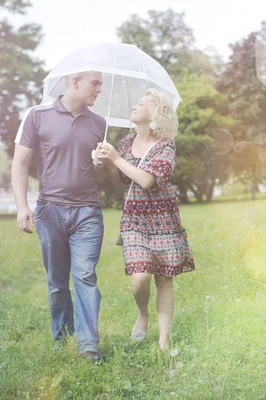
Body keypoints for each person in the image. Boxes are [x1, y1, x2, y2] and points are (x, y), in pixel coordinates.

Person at [11, 70, 108, 361]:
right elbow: (20, 162)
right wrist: (21, 206)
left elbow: (103, 177)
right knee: (57, 281)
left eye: (101, 84)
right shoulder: (37, 115)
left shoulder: (99, 124)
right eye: (95, 83)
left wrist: (103, 162)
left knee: (86, 276)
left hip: (87, 212)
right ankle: (63, 337)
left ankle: (88, 345)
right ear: (75, 81)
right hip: (50, 210)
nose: (100, 90)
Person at [97, 88, 195, 350]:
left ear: (156, 114)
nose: (135, 106)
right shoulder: (127, 143)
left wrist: (116, 158)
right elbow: (122, 183)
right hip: (134, 221)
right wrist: (107, 161)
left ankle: (164, 340)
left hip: (163, 220)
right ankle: (143, 314)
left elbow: (148, 180)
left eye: (142, 104)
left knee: (164, 279)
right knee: (139, 278)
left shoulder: (165, 145)